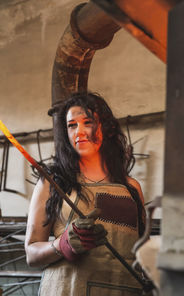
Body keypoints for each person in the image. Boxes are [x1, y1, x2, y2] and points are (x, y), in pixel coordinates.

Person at [25, 92, 146, 296]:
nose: (79, 132)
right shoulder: (53, 183)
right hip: (67, 290)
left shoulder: (131, 188)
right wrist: (61, 245)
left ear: (106, 129)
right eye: (72, 125)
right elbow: (31, 253)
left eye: (87, 122)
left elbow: (142, 251)